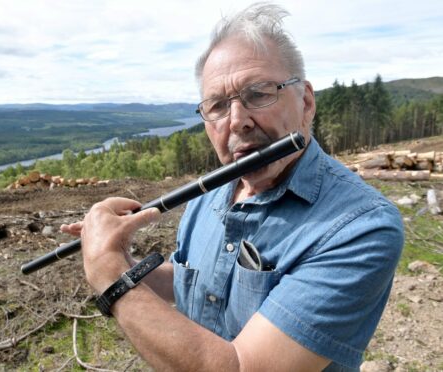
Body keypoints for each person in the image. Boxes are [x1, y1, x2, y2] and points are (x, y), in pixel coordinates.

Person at [61, 3, 404, 371]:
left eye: (258, 94)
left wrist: (110, 274)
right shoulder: (206, 197)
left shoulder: (361, 227)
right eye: (218, 106)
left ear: (305, 102)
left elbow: (240, 367)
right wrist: (119, 255)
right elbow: (190, 281)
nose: (237, 121)